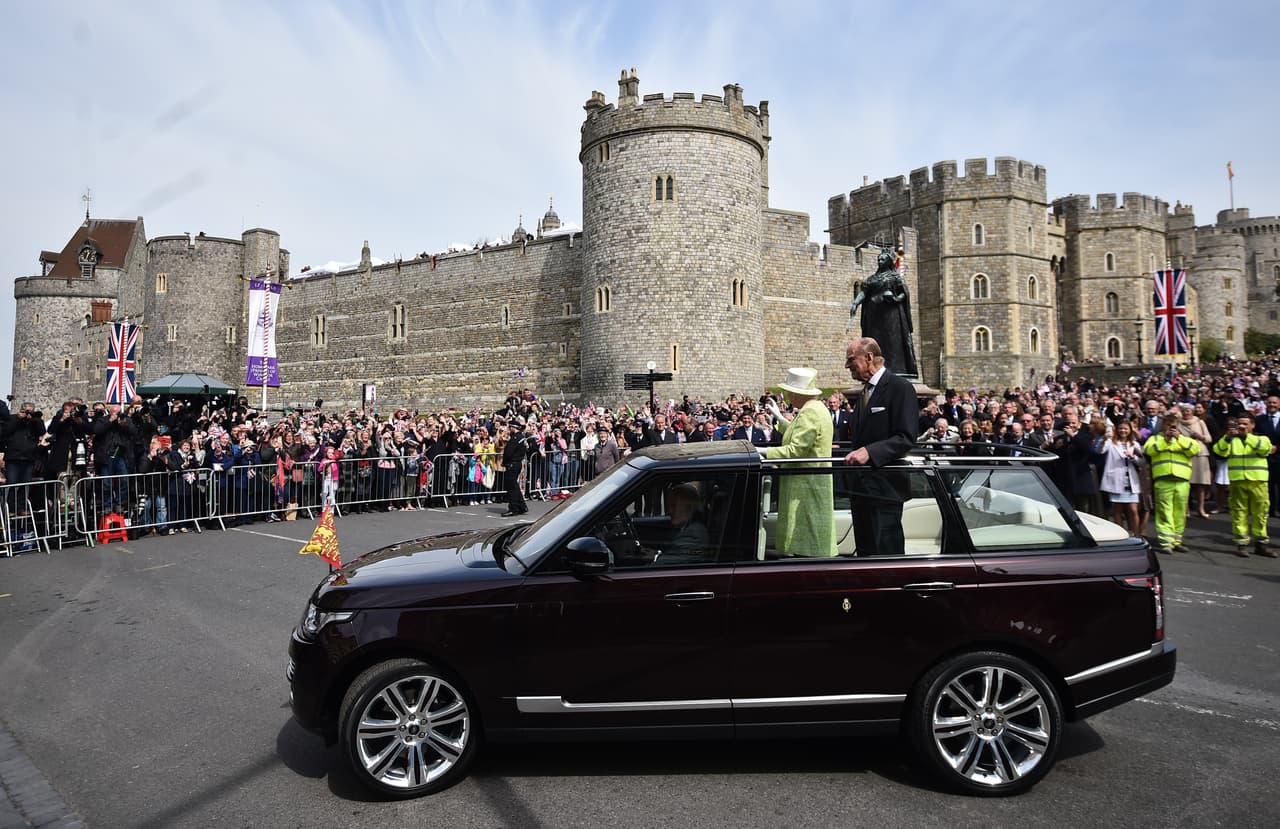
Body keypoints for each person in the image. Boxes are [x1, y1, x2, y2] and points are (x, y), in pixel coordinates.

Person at [842, 337, 919, 555]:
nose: (847, 366)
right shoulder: (865, 393)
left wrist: (870, 452)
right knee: (866, 553)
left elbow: (906, 437)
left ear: (868, 358)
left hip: (886, 488)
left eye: (850, 360)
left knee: (886, 553)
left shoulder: (900, 388)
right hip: (862, 489)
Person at [762, 367, 835, 557]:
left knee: (805, 538)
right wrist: (779, 418)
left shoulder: (810, 412)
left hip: (805, 486)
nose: (786, 395)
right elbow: (800, 435)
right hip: (810, 483)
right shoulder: (815, 408)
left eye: (788, 391)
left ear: (796, 393)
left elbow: (795, 450)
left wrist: (762, 451)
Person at [1213, 415, 1277, 557]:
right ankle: (1241, 544)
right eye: (1239, 424)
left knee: (1260, 514)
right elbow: (1218, 451)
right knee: (1238, 513)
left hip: (1258, 481)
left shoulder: (1262, 438)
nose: (1242, 426)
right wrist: (1227, 438)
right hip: (1238, 481)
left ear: (1252, 425)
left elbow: (1264, 449)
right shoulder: (1231, 440)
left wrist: (1246, 436)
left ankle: (1261, 544)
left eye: (1245, 424)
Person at [1144, 415, 1200, 554]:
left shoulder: (1186, 440)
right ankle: (1166, 542)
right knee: (1164, 512)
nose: (1171, 428)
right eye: (1168, 425)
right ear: (1163, 425)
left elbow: (1194, 450)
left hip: (1181, 481)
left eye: (1173, 425)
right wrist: (1166, 440)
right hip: (1163, 480)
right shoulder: (1155, 439)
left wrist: (1179, 438)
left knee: (1179, 513)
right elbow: (1149, 450)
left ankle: (1177, 541)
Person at [1097, 420, 1143, 536]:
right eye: (1121, 428)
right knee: (1117, 509)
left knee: (1133, 509)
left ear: (1130, 430)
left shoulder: (1135, 444)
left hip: (1131, 480)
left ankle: (1136, 534)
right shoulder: (1110, 443)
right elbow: (1099, 451)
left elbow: (1142, 462)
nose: (1123, 431)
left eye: (1126, 429)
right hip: (1116, 480)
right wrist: (1103, 439)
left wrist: (1132, 457)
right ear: (1116, 430)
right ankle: (1121, 534)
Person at [1177, 402, 1213, 519]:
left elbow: (1208, 438)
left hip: (1200, 454)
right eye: (1184, 410)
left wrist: (1200, 436)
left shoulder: (1200, 422)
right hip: (1185, 454)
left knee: (1201, 484)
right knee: (1185, 483)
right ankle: (1186, 509)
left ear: (1192, 412)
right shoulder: (1178, 424)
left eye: (1188, 410)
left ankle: (1201, 509)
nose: (1186, 412)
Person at [1253, 395, 1280, 516]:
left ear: (1279, 404)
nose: (1272, 405)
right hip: (1265, 458)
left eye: (1274, 403)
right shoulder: (1259, 420)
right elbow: (1255, 437)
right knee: (1267, 486)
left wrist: (1278, 447)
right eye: (1269, 403)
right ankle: (1270, 508)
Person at [500, 422, 529, 516]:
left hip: (513, 463)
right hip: (517, 463)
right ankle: (521, 506)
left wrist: (504, 462)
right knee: (515, 486)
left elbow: (508, 452)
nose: (509, 429)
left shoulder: (515, 438)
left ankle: (513, 508)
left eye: (510, 427)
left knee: (511, 487)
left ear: (514, 428)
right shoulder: (521, 437)